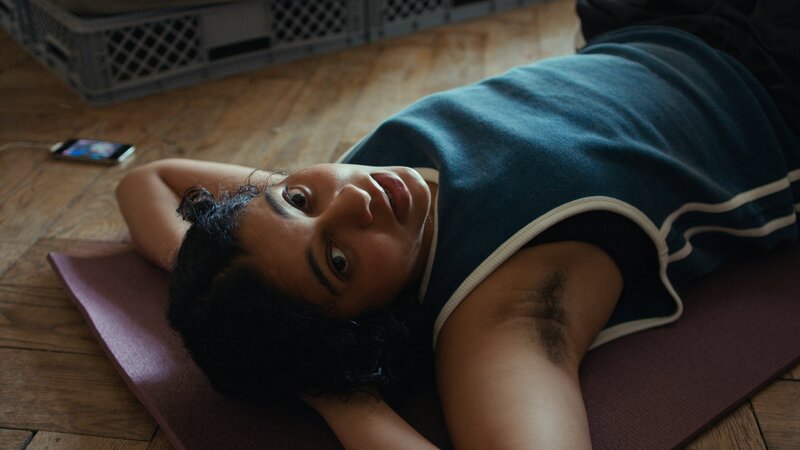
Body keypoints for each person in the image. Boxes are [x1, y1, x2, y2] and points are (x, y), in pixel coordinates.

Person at [116, 1, 800, 448]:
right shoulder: (496, 311)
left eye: (296, 198)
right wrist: (338, 391)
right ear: (363, 331)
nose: (350, 205)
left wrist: (210, 288)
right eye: (340, 263)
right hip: (774, 81)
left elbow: (148, 179)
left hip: (644, 24)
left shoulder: (344, 194)